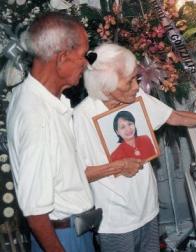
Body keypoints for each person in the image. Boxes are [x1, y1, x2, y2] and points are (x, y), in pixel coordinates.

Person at [73, 43, 196, 252]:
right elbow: (79, 175)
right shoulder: (83, 116)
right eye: (129, 83)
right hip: (116, 221)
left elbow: (173, 116)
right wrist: (118, 167)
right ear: (106, 86)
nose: (137, 88)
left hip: (148, 208)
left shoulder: (134, 97)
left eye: (136, 79)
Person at [6, 13, 133, 252]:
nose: (87, 64)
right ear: (62, 57)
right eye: (83, 56)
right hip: (61, 239)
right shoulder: (38, 118)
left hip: (72, 231)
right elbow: (35, 213)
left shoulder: (38, 98)